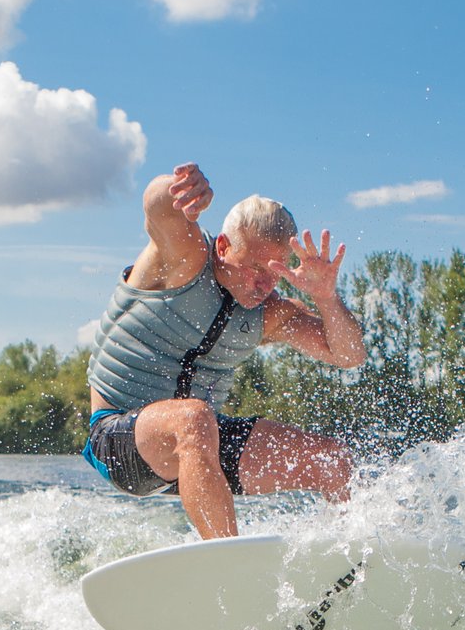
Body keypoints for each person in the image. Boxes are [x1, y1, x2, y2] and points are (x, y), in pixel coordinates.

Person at [84, 161, 365, 538]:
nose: (264, 283)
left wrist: (326, 298)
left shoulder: (271, 314)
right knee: (194, 419)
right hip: (121, 441)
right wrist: (181, 188)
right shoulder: (184, 261)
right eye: (254, 267)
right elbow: (157, 207)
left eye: (275, 272)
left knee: (333, 460)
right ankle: (229, 565)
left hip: (201, 449)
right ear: (223, 245)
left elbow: (349, 355)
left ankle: (349, 567)